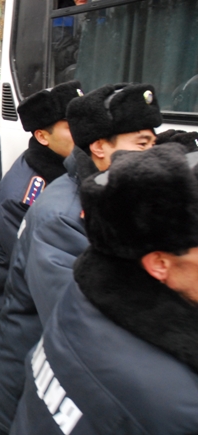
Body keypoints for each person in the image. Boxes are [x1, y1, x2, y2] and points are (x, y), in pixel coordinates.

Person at [0, 83, 161, 435]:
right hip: (30, 389)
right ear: (98, 147)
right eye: (141, 144)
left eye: (154, 143)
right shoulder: (61, 213)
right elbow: (78, 322)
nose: (153, 154)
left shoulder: (111, 197)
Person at [11, 145, 198, 434]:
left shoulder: (87, 297)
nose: (145, 147)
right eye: (140, 138)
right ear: (160, 263)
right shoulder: (174, 404)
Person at [0, 81, 82, 434]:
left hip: (14, 306)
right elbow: (34, 266)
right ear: (42, 135)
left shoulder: (59, 173)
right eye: (71, 126)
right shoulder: (27, 192)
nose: (83, 133)